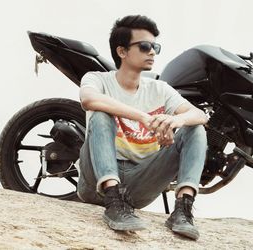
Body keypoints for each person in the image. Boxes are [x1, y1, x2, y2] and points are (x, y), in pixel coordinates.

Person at [77, 14, 208, 240]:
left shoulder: (160, 89)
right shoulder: (98, 79)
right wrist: (143, 118)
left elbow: (200, 114)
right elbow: (88, 100)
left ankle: (183, 209)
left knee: (195, 128)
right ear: (122, 51)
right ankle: (113, 200)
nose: (152, 52)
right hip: (96, 180)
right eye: (145, 46)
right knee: (100, 114)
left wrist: (175, 121)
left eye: (155, 46)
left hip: (140, 183)